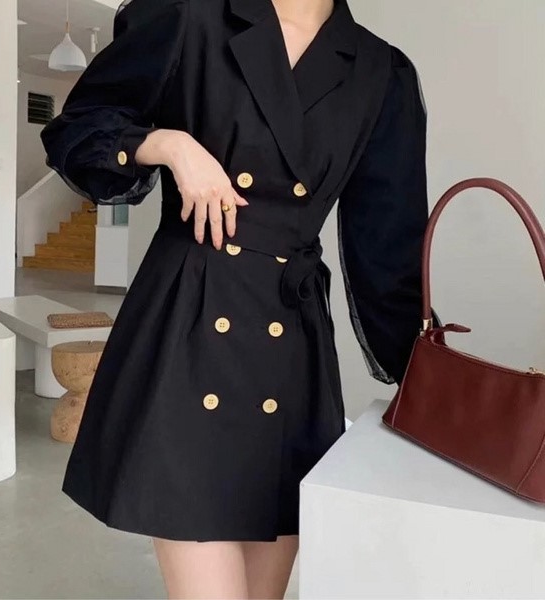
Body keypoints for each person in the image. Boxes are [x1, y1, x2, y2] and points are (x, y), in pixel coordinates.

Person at [41, 0, 440, 597]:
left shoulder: (382, 71)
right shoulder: (190, 16)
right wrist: (168, 144)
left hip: (291, 346)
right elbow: (76, 130)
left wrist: (433, 382)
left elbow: (388, 251)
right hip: (190, 325)